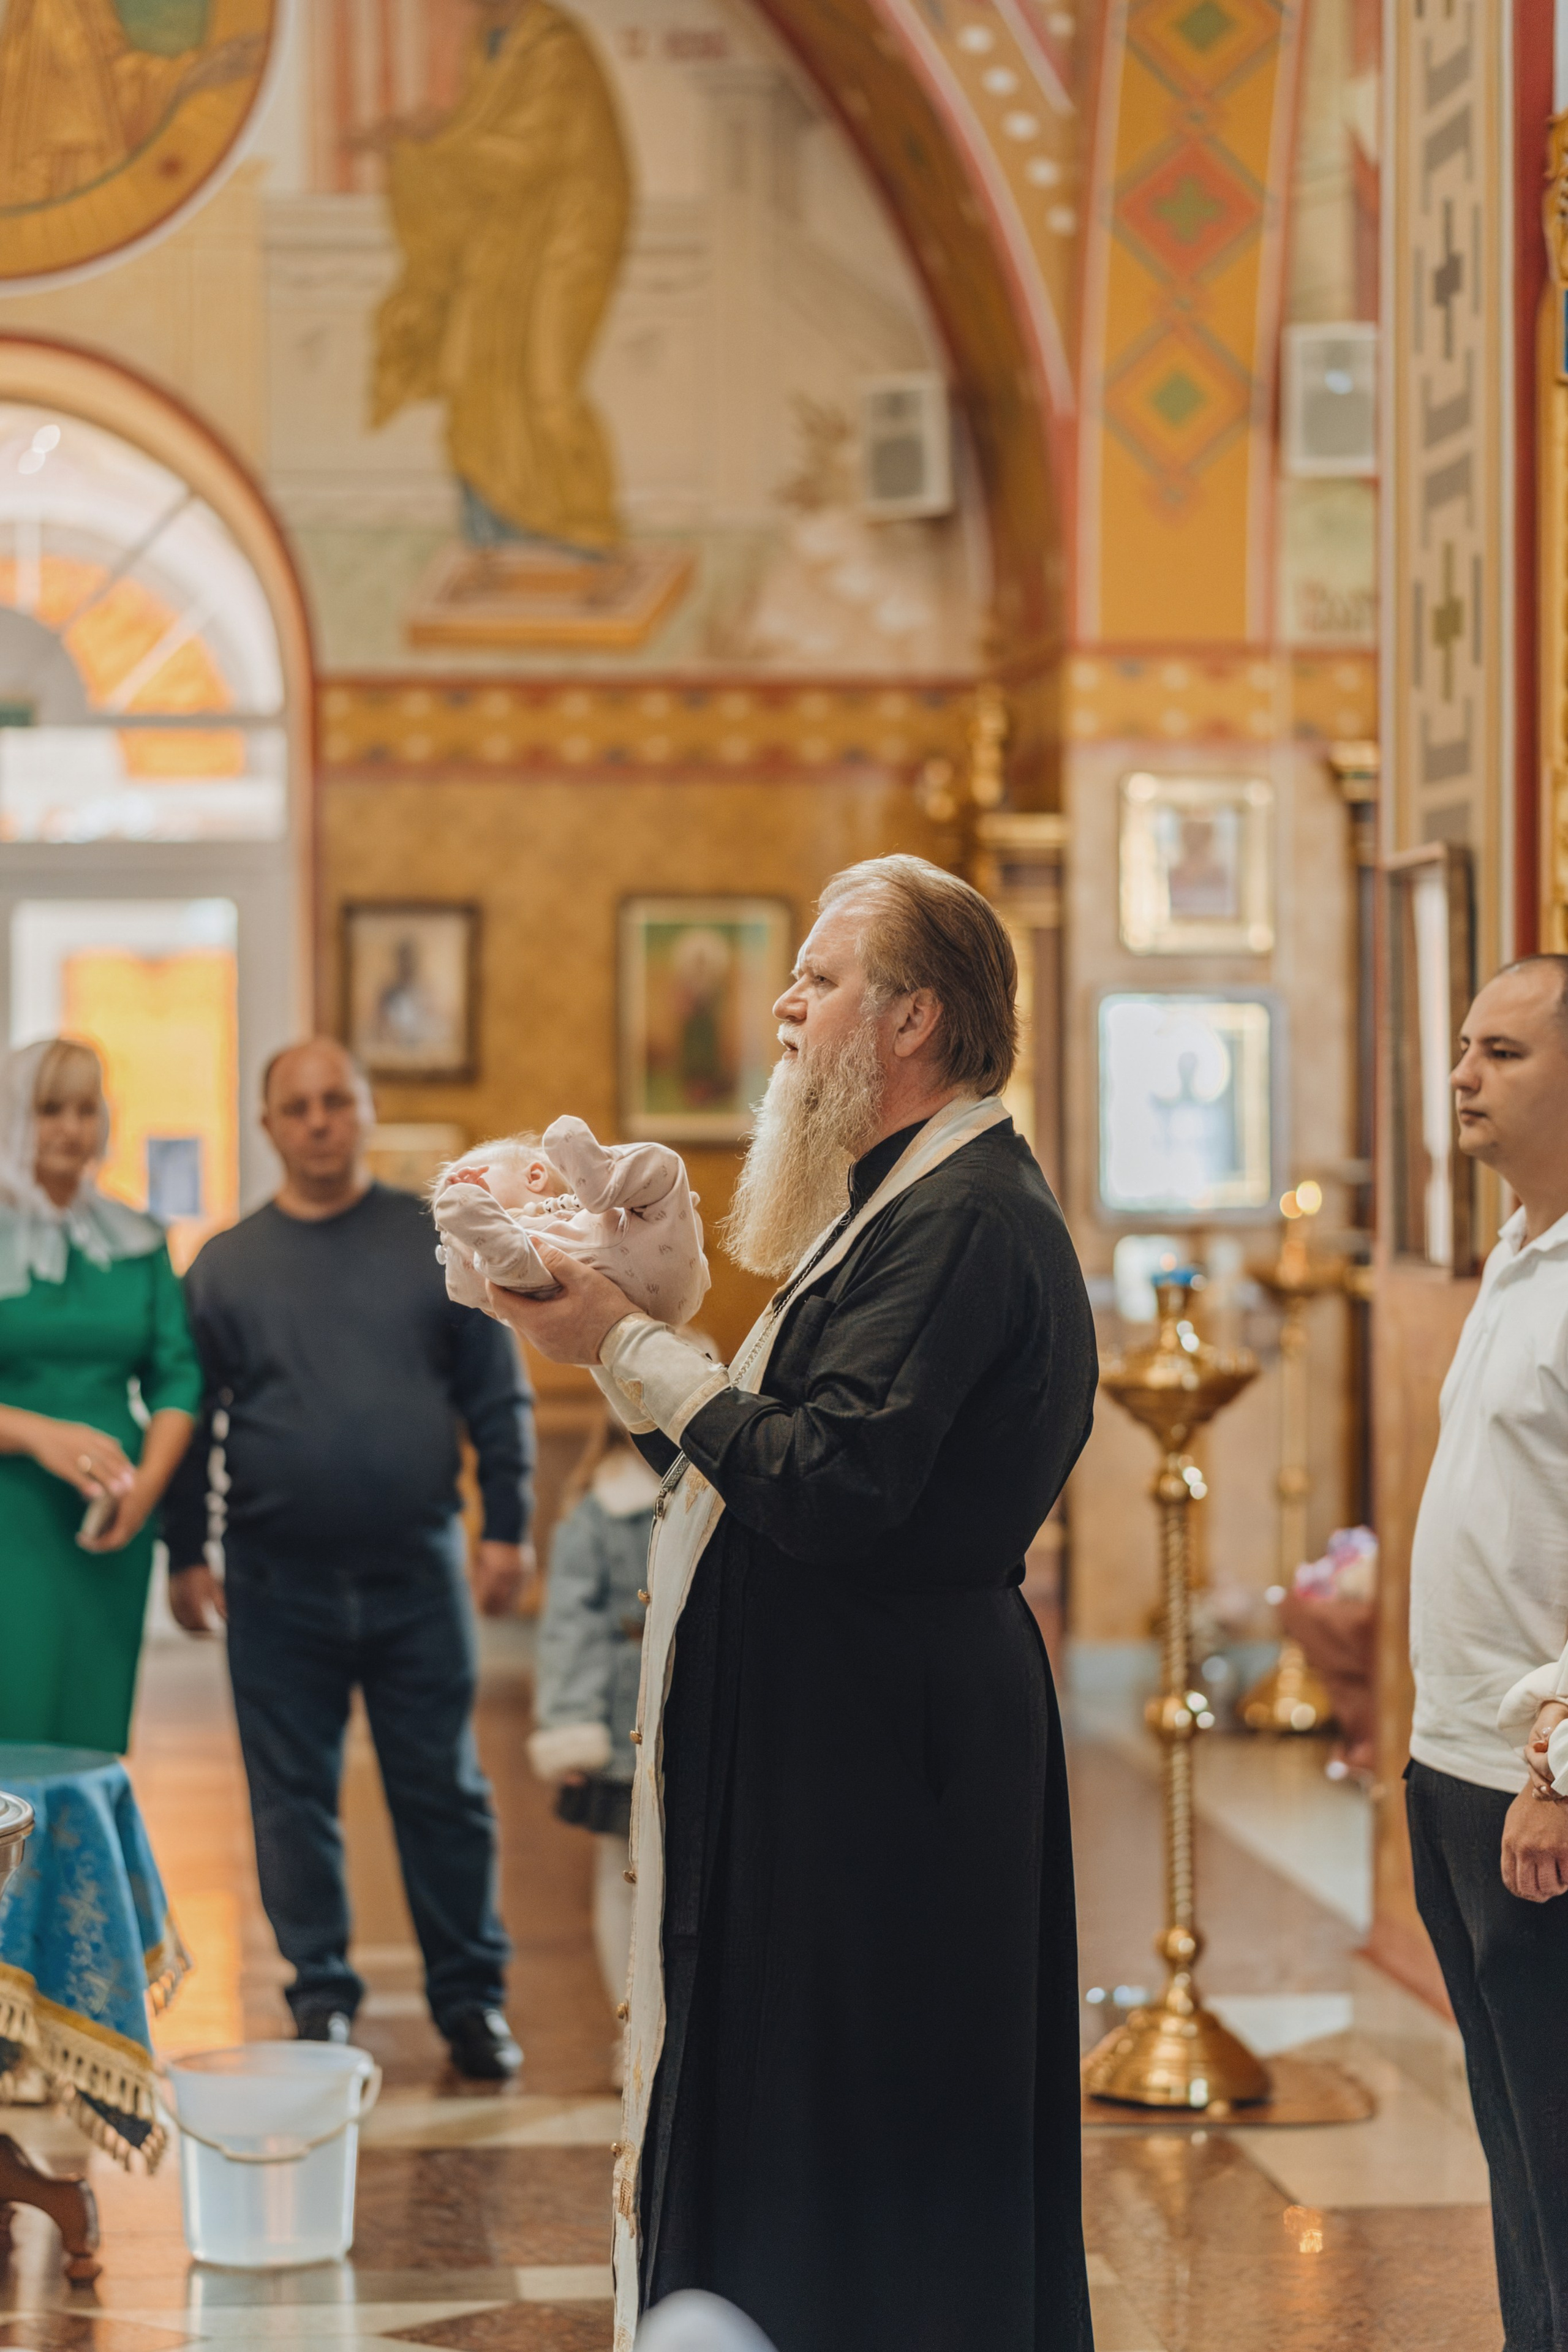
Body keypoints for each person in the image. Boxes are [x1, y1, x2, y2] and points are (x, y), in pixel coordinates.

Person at [489, 856, 1098, 2352]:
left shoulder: (959, 1216)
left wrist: (628, 1340)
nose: (781, 1005)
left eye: (818, 979)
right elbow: (761, 1460)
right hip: (844, 1734)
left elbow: (831, 1478)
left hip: (884, 1758)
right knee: (808, 2109)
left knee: (866, 2128)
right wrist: (628, 1332)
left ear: (911, 1018)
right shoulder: (890, 1204)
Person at [163, 1041, 535, 2080]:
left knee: (446, 1794)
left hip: (420, 1574)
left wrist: (508, 1524)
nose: (321, 1120)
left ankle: (470, 2002)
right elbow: (191, 1428)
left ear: (367, 1113)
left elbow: (495, 1394)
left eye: (339, 1101)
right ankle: (321, 1997)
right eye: (300, 1106)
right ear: (271, 1125)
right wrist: (185, 1555)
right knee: (293, 1799)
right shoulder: (225, 1267)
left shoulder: (436, 1242)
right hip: (277, 1585)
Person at [1406, 954, 1568, 2352]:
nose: (1461, 1074)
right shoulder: (1515, 1251)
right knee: (1510, 2139)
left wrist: (1557, 1768)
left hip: (1537, 1782)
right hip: (1446, 1758)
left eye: (1502, 1053)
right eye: (1463, 1047)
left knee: (1560, 2153)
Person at [0, 1038, 200, 1752]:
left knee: (92, 1728)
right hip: (8, 1517)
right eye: (49, 1108)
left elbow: (178, 1376)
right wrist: (38, 1434)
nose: (70, 1129)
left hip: (113, 1518)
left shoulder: (140, 1240)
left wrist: (145, 1489)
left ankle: (76, 1868)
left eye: (86, 1109)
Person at [529, 1411, 661, 2078]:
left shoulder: (724, 1490)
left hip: (696, 1698)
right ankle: (629, 2029)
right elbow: (569, 1627)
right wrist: (571, 1723)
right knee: (621, 1874)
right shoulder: (598, 1510)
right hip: (620, 1714)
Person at [433, 1115, 709, 1324]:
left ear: (534, 1177)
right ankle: (609, 1179)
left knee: (667, 1168)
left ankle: (608, 1181)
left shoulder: (578, 1210)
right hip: (606, 1293)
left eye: (470, 1181)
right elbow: (477, 1286)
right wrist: (466, 1220)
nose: (461, 1187)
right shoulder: (510, 1243)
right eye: (459, 1194)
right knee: (506, 1264)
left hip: (659, 1256)